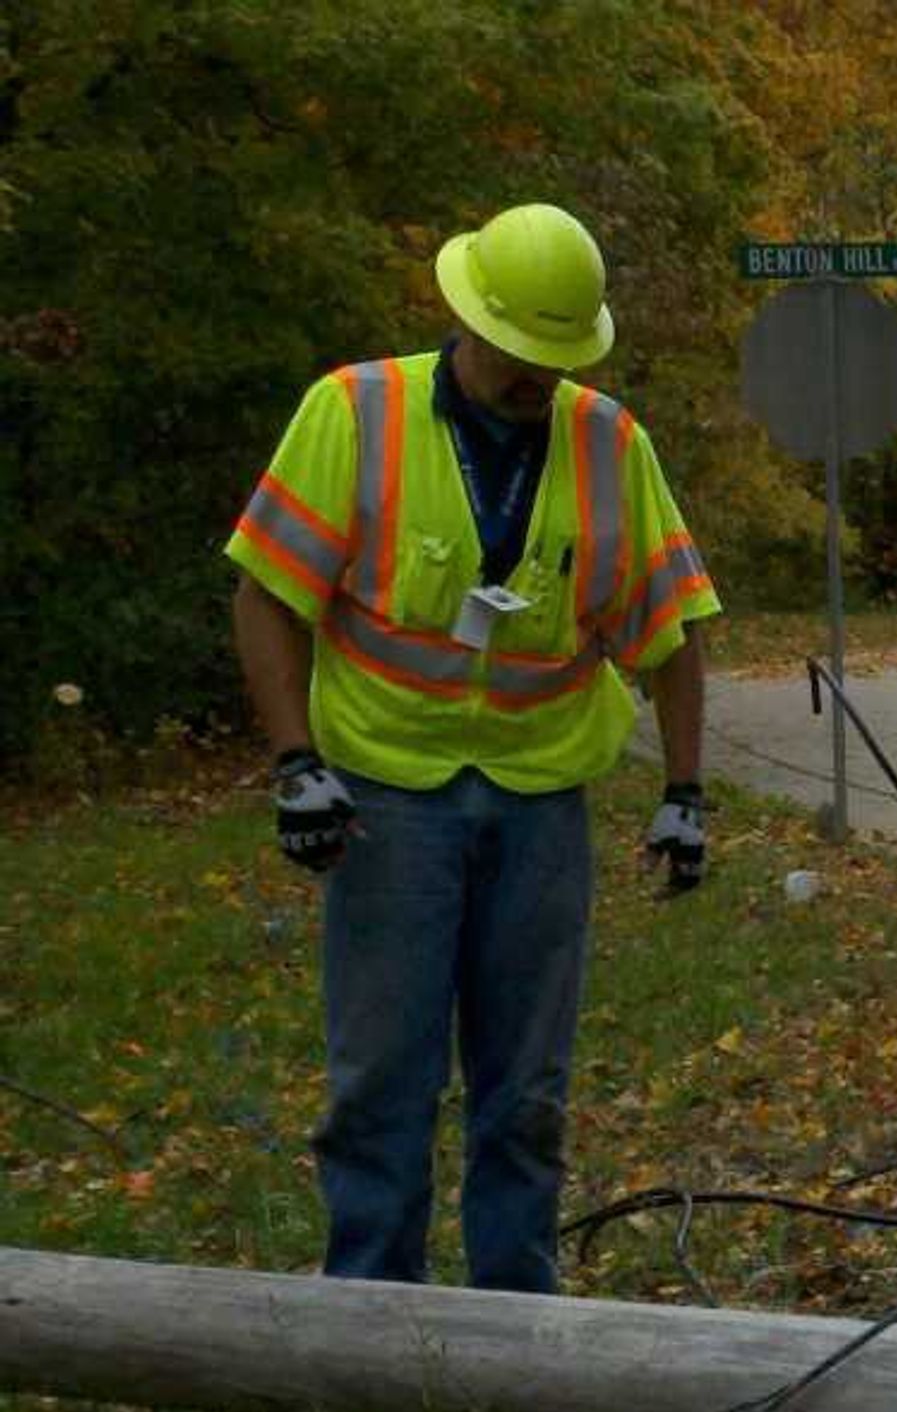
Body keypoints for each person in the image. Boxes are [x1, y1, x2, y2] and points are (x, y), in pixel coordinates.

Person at [225, 201, 718, 1293]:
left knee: (526, 1089)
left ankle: (516, 1330)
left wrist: (685, 790)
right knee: (381, 1080)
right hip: (385, 794)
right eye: (521, 352)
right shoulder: (355, 411)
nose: (538, 376)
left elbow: (673, 630)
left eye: (559, 356)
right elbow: (267, 594)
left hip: (541, 798)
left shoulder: (608, 441)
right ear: (467, 318)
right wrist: (295, 762)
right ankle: (370, 1321)